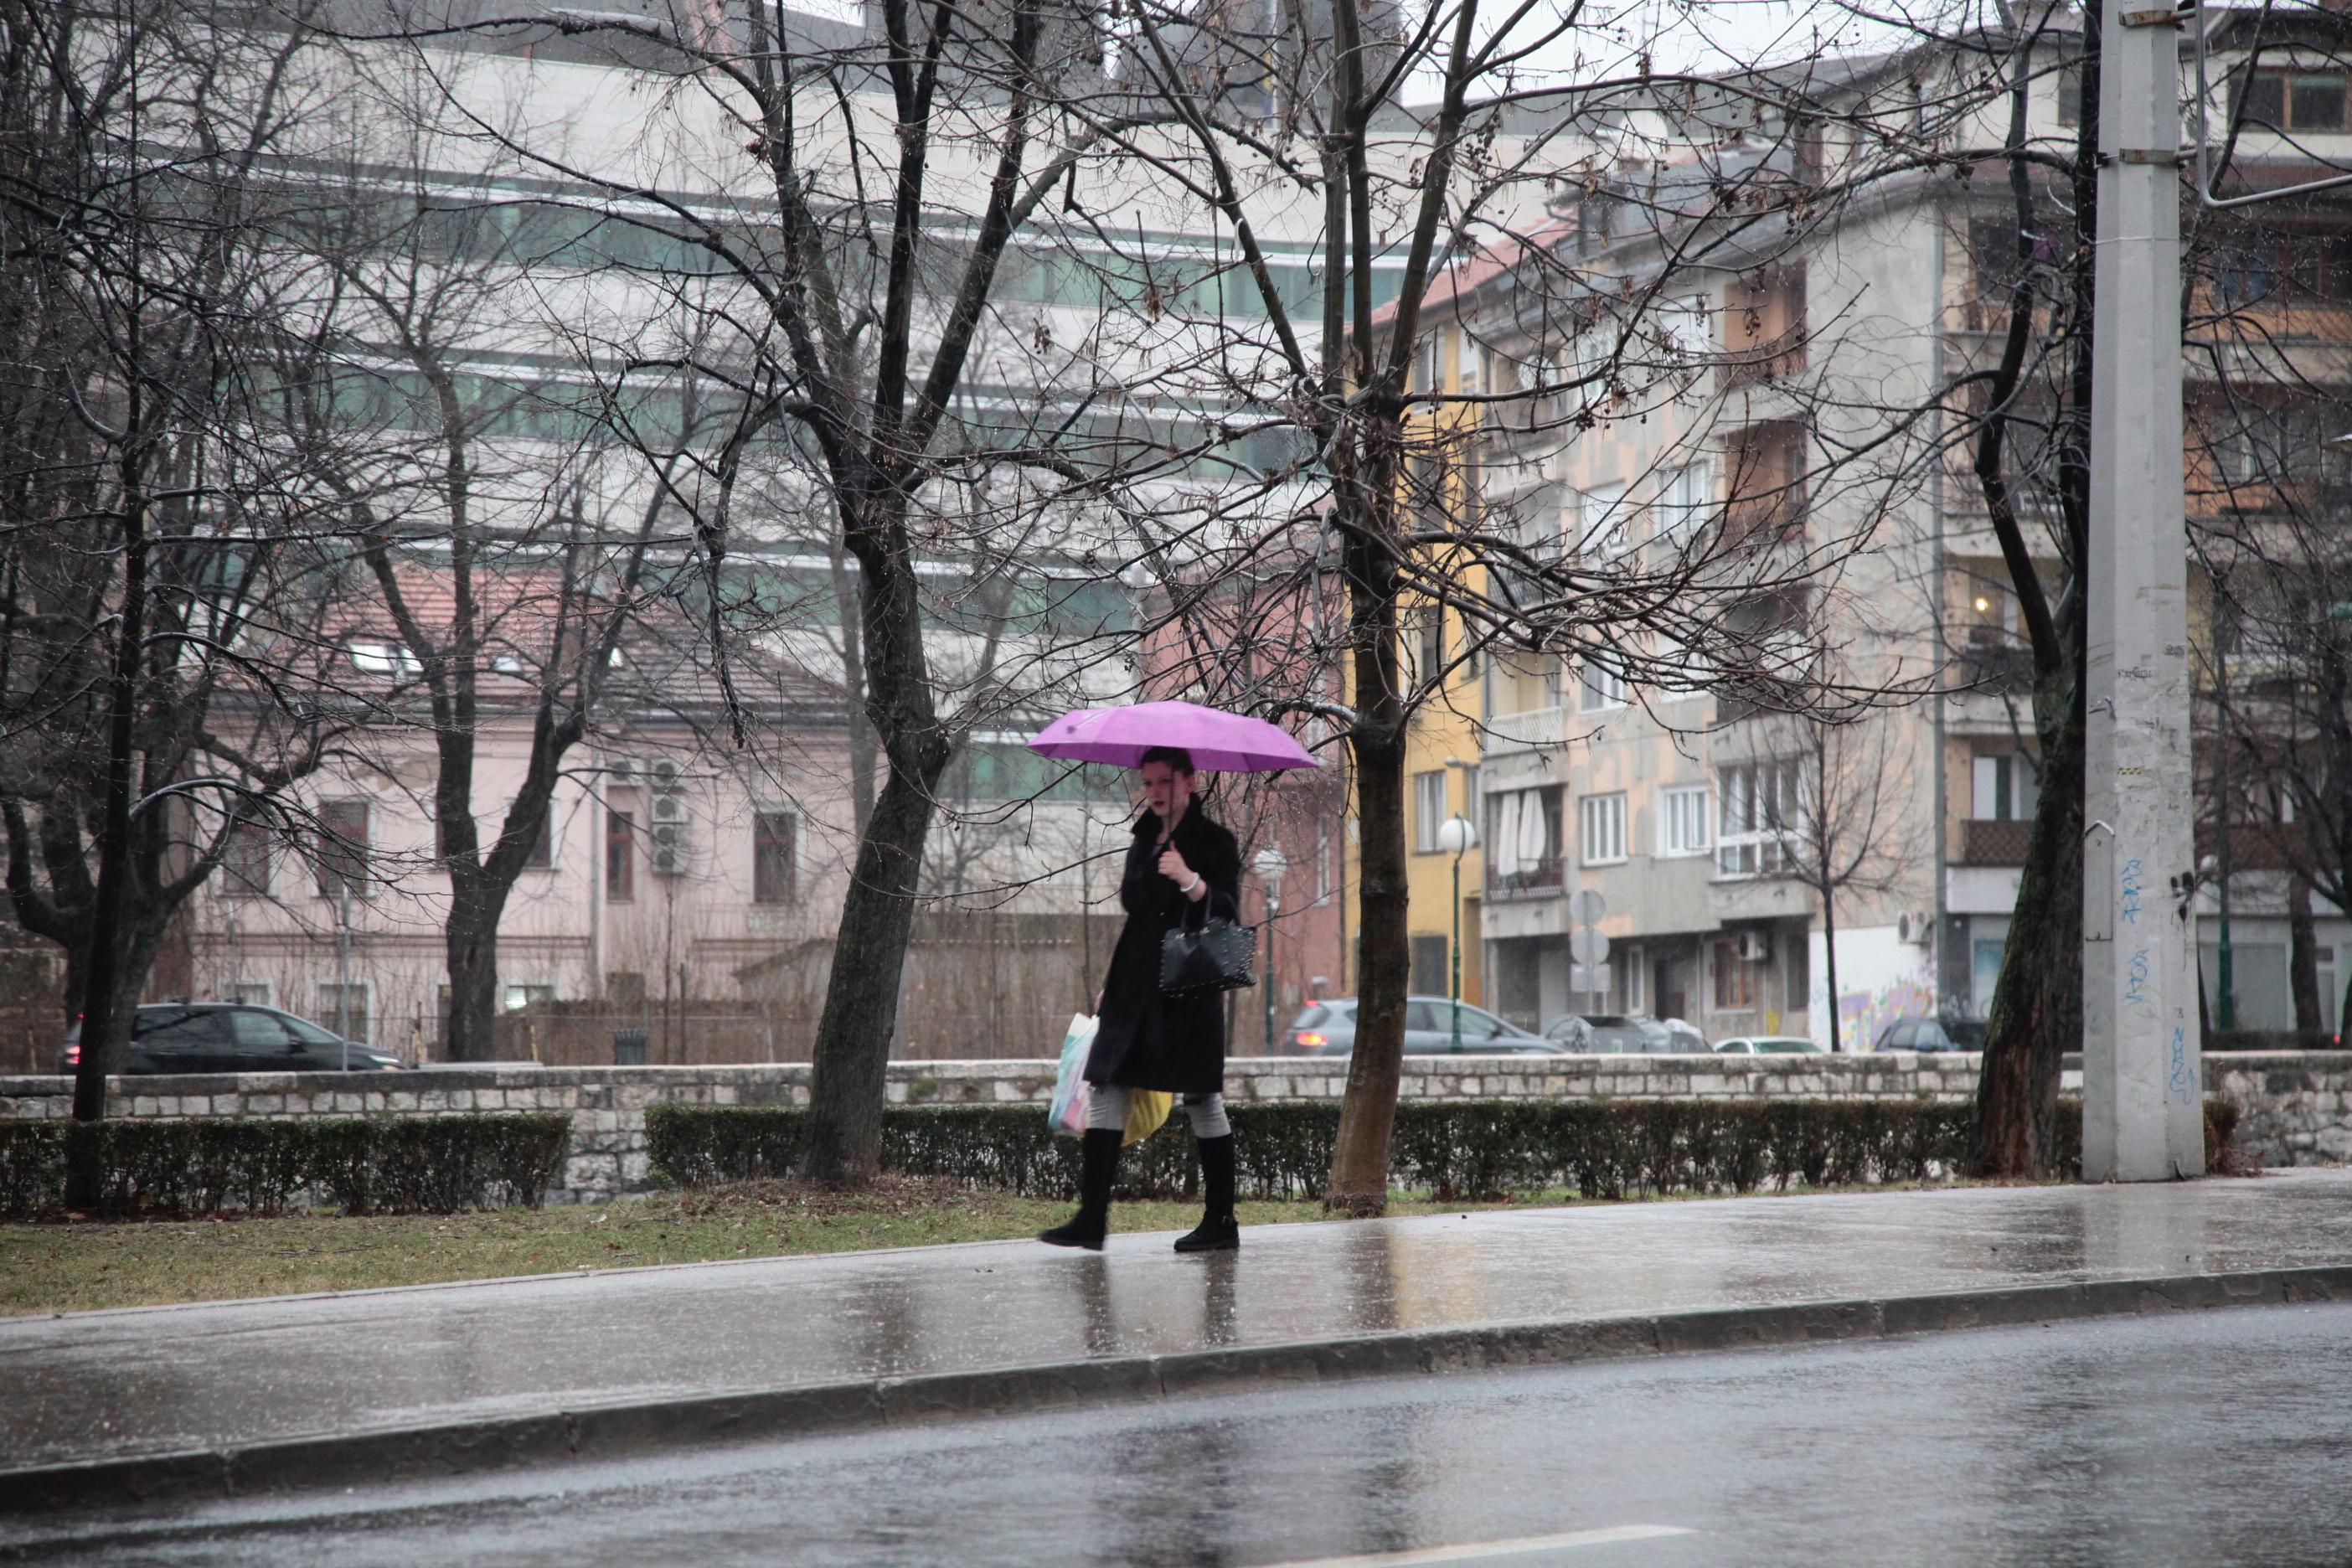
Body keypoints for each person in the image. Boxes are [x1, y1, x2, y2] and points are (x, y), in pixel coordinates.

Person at [1040, 745, 1244, 1253]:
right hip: (1134, 981)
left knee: (1200, 1098)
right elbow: (1137, 912)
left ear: (1191, 782)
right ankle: (1091, 1220)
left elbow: (1229, 914)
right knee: (1107, 1086)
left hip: (1187, 989)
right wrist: (1117, 980)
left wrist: (1192, 882)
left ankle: (1221, 1222)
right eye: (1147, 783)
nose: (1153, 792)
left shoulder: (1215, 842)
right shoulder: (1142, 838)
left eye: (1163, 783)